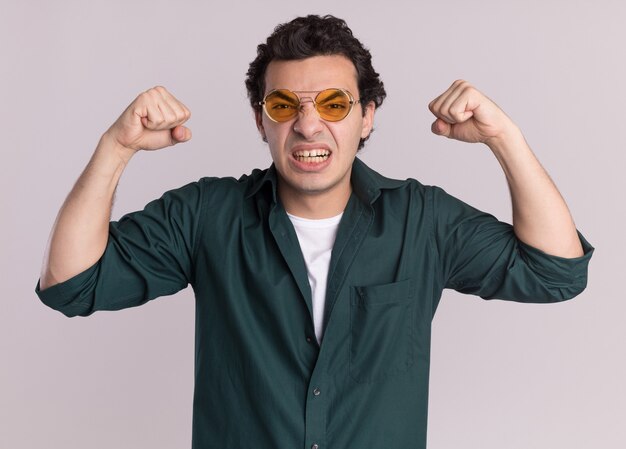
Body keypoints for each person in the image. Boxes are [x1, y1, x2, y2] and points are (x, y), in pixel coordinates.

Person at [36, 14, 593, 449]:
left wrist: (505, 138)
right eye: (284, 105)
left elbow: (556, 271)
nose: (308, 124)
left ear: (366, 115)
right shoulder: (209, 214)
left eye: (333, 103)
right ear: (261, 120)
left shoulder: (422, 221)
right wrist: (117, 146)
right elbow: (71, 284)